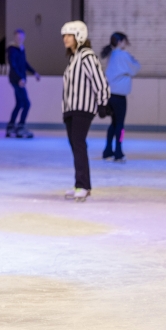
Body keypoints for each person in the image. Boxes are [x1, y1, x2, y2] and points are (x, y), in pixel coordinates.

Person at [61, 21, 111, 202]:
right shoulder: (73, 58)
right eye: (64, 35)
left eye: (69, 35)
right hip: (71, 110)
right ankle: (80, 184)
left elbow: (100, 80)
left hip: (82, 109)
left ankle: (83, 185)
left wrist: (103, 102)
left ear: (79, 36)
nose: (65, 38)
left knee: (78, 144)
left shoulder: (86, 56)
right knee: (76, 146)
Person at [101, 32, 140, 162]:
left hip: (109, 94)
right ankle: (118, 151)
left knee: (113, 123)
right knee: (120, 126)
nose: (126, 43)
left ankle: (107, 150)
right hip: (119, 96)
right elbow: (135, 69)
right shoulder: (124, 55)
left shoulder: (111, 55)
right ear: (119, 42)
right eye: (124, 41)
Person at [7, 29, 40, 138]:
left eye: (21, 38)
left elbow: (24, 63)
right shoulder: (12, 50)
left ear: (23, 38)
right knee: (26, 103)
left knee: (19, 104)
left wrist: (34, 72)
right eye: (17, 37)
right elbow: (13, 65)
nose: (19, 39)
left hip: (20, 79)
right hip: (16, 80)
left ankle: (11, 126)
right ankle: (20, 127)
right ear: (14, 37)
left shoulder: (21, 49)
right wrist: (20, 78)